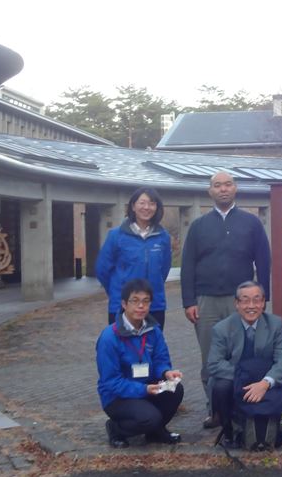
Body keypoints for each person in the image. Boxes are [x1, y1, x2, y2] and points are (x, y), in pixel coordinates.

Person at [181, 171, 271, 430]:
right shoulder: (199, 226)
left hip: (242, 302)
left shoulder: (251, 223)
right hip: (206, 300)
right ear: (210, 191)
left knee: (242, 356)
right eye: (217, 185)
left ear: (236, 189)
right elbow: (187, 265)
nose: (223, 189)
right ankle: (215, 410)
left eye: (228, 184)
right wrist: (189, 301)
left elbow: (263, 260)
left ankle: (240, 407)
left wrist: (264, 297)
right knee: (211, 358)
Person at [96, 278, 184, 447]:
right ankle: (116, 429)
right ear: (124, 304)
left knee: (175, 389)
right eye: (135, 301)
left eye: (145, 301)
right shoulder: (109, 337)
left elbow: (160, 359)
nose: (141, 306)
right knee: (150, 418)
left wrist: (166, 372)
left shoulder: (153, 330)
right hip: (117, 396)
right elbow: (111, 381)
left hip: (146, 388)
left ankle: (155, 432)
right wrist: (143, 389)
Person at [207, 281, 282, 450]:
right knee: (220, 388)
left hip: (264, 382)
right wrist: (244, 379)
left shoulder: (275, 324)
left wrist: (265, 383)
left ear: (263, 303)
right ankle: (229, 432)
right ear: (237, 304)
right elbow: (214, 364)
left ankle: (272, 428)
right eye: (245, 301)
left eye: (256, 300)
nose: (251, 306)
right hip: (236, 380)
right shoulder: (222, 328)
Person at [97, 187, 172, 328]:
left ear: (157, 207)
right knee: (123, 348)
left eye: (151, 203)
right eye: (142, 203)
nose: (146, 207)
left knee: (151, 347)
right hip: (123, 306)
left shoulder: (163, 237)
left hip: (154, 306)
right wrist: (117, 291)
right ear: (133, 206)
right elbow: (102, 270)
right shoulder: (116, 235)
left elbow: (164, 270)